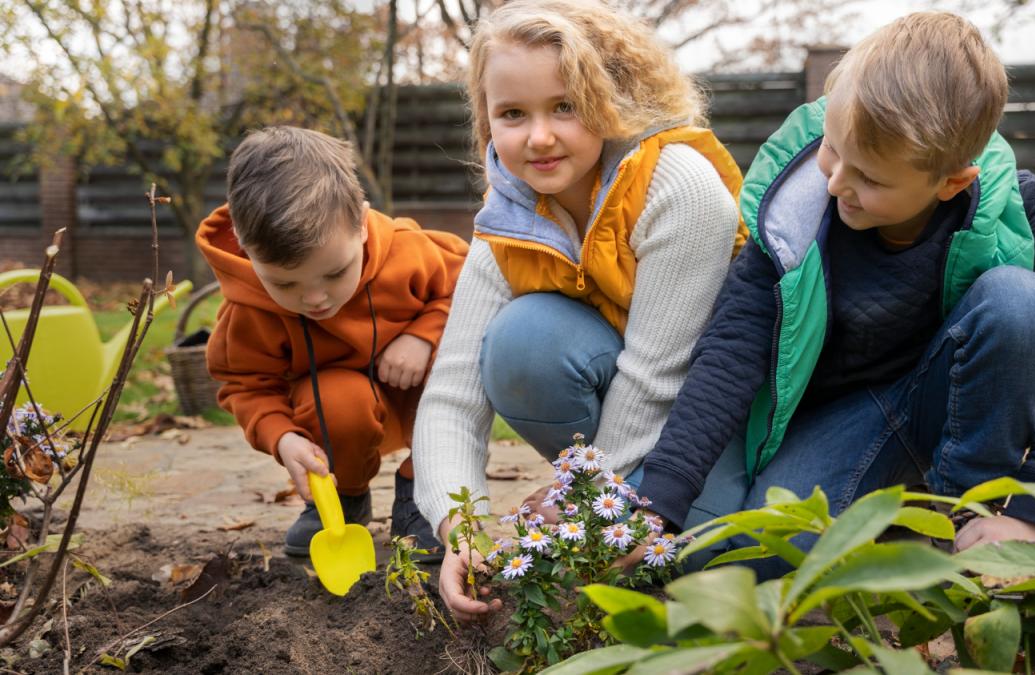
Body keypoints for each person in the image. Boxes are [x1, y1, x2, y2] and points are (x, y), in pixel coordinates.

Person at [635, 11, 1035, 579]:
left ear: (951, 183)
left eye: (871, 179)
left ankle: (964, 517)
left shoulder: (1012, 211)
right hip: (839, 422)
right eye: (833, 150)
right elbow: (733, 349)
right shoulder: (796, 211)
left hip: (950, 406)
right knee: (751, 559)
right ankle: (887, 505)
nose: (837, 183)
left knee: (1022, 304)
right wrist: (660, 501)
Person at [411, 0, 747, 620]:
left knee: (720, 558)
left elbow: (656, 381)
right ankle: (614, 513)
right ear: (487, 121)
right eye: (513, 114)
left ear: (608, 98)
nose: (538, 137)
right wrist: (461, 527)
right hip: (624, 430)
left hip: (711, 428)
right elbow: (452, 394)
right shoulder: (506, 221)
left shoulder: (678, 186)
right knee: (524, 342)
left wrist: (580, 507)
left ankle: (628, 514)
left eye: (564, 106)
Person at [197, 126, 468, 557]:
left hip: (420, 397)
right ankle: (344, 496)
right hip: (336, 419)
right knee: (338, 398)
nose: (315, 299)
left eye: (335, 273)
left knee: (465, 358)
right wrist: (282, 437)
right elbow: (246, 385)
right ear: (247, 250)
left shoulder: (411, 253)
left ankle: (424, 490)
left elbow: (473, 289)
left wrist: (424, 333)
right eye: (285, 284)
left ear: (361, 224)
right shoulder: (248, 310)